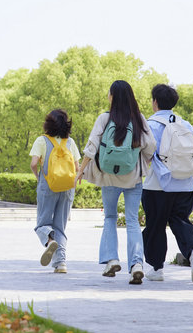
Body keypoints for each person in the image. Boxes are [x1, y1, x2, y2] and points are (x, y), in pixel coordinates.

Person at [76, 80, 156, 284]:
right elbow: (151, 146)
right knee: (132, 221)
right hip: (133, 177)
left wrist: (81, 170)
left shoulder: (104, 118)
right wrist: (140, 158)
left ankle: (111, 260)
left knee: (110, 217)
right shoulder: (138, 119)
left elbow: (92, 145)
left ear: (112, 97)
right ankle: (137, 264)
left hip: (108, 176)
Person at [141, 84, 193, 283]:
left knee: (155, 226)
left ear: (155, 102)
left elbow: (145, 151)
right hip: (185, 184)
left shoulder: (150, 124)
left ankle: (157, 268)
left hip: (157, 184)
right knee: (180, 221)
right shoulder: (183, 123)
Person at [30, 109, 81, 274]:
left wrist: (39, 177)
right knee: (60, 226)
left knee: (42, 224)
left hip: (48, 186)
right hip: (67, 188)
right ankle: (61, 264)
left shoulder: (42, 140)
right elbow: (77, 167)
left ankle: (49, 240)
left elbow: (33, 163)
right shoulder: (70, 142)